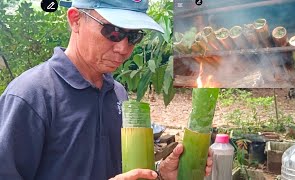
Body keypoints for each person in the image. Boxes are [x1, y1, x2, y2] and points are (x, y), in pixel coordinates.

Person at [0, 0, 213, 179]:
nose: (123, 49)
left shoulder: (117, 93)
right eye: (112, 32)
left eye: (133, 36)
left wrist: (160, 174)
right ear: (75, 20)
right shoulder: (30, 96)